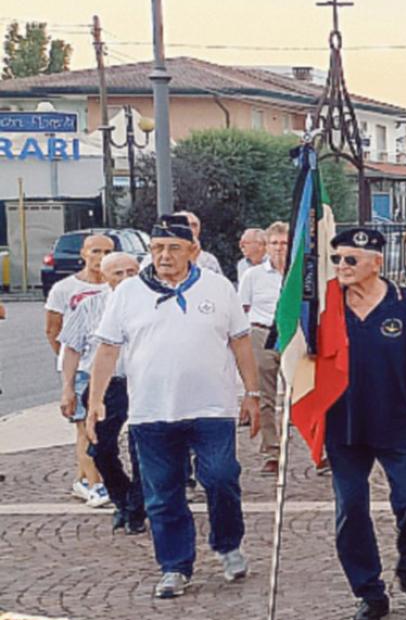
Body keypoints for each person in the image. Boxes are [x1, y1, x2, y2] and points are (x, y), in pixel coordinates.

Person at [88, 213, 260, 600]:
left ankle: (228, 544)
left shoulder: (219, 288)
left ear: (193, 251)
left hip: (212, 406)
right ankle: (174, 566)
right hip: (151, 411)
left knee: (220, 477)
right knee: (162, 493)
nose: (164, 256)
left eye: (173, 248)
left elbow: (241, 342)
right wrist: (95, 400)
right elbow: (108, 348)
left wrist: (252, 393)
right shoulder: (128, 292)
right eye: (157, 248)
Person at [321, 228, 406, 620]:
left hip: (399, 422)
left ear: (376, 262)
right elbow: (297, 356)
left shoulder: (405, 303)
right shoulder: (323, 305)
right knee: (351, 508)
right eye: (337, 260)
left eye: (350, 260)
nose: (342, 267)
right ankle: (369, 591)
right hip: (344, 425)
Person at [58, 251, 145, 533]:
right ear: (104, 277)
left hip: (144, 382)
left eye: (131, 272)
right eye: (117, 273)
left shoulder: (152, 303)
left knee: (143, 447)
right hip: (106, 386)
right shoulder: (89, 306)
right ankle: (122, 497)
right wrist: (68, 388)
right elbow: (71, 348)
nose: (125, 279)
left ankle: (137, 507)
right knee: (100, 448)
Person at [45, 232, 111, 508]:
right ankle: (94, 483)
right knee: (85, 428)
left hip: (113, 370)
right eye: (96, 252)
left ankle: (84, 478)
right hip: (84, 367)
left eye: (108, 252)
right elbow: (53, 329)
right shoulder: (64, 289)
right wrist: (68, 370)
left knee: (105, 430)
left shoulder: (119, 287)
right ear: (83, 254)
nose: (101, 258)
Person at [238, 222, 288, 474]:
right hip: (262, 333)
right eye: (274, 243)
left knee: (301, 395)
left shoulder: (300, 275)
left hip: (292, 336)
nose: (279, 249)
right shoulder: (253, 275)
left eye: (284, 243)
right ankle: (271, 450)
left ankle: (318, 450)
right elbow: (242, 309)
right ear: (266, 246)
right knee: (265, 396)